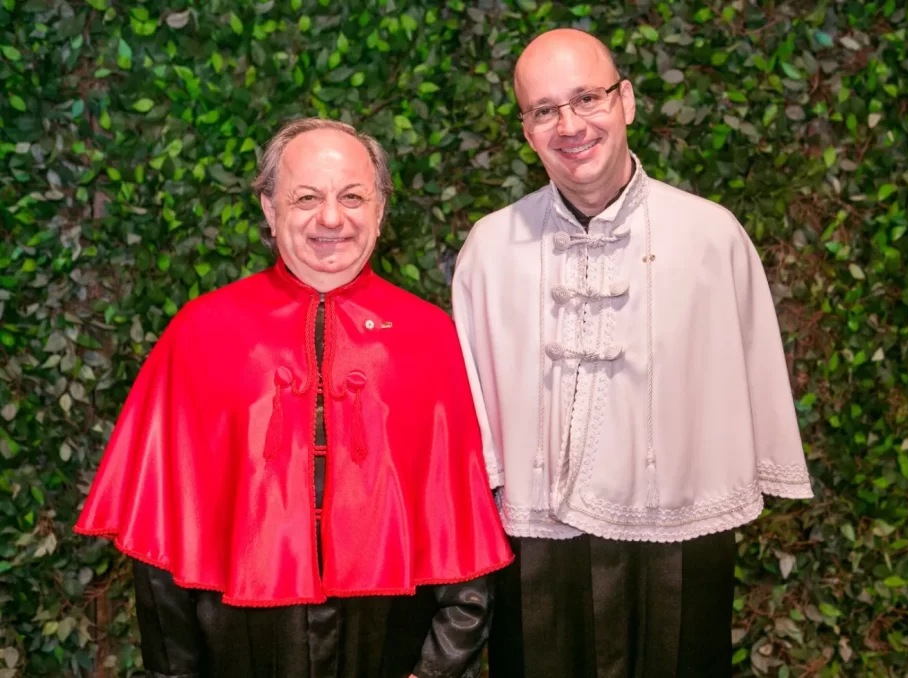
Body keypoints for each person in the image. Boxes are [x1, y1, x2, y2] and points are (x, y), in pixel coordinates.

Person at [75, 118, 513, 678]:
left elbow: (468, 552)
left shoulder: (431, 339)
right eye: (306, 198)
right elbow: (159, 550)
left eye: (352, 197)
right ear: (268, 208)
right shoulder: (201, 333)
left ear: (380, 210)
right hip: (239, 649)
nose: (331, 218)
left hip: (388, 646)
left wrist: (433, 673)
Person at [451, 29, 814, 677]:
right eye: (544, 110)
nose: (570, 125)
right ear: (527, 131)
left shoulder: (712, 236)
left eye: (587, 98)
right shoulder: (489, 248)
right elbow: (471, 410)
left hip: (679, 536)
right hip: (536, 544)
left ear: (627, 101)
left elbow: (750, 374)